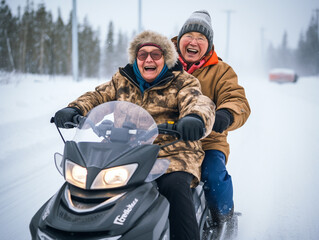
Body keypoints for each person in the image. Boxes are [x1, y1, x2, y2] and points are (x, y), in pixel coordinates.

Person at [54, 30, 215, 240]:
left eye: (156, 55)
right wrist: (75, 109)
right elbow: (97, 96)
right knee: (86, 181)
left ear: (165, 58)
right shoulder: (122, 79)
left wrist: (194, 118)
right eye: (142, 55)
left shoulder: (183, 82)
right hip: (124, 151)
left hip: (172, 150)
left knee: (174, 186)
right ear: (136, 59)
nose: (149, 59)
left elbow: (198, 102)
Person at [172, 10, 251, 234]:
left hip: (207, 141)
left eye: (201, 38)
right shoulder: (162, 64)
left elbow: (237, 99)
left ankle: (223, 218)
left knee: (213, 175)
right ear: (179, 40)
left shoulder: (221, 71)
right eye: (189, 36)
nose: (194, 42)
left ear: (209, 44)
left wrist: (226, 114)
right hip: (163, 138)